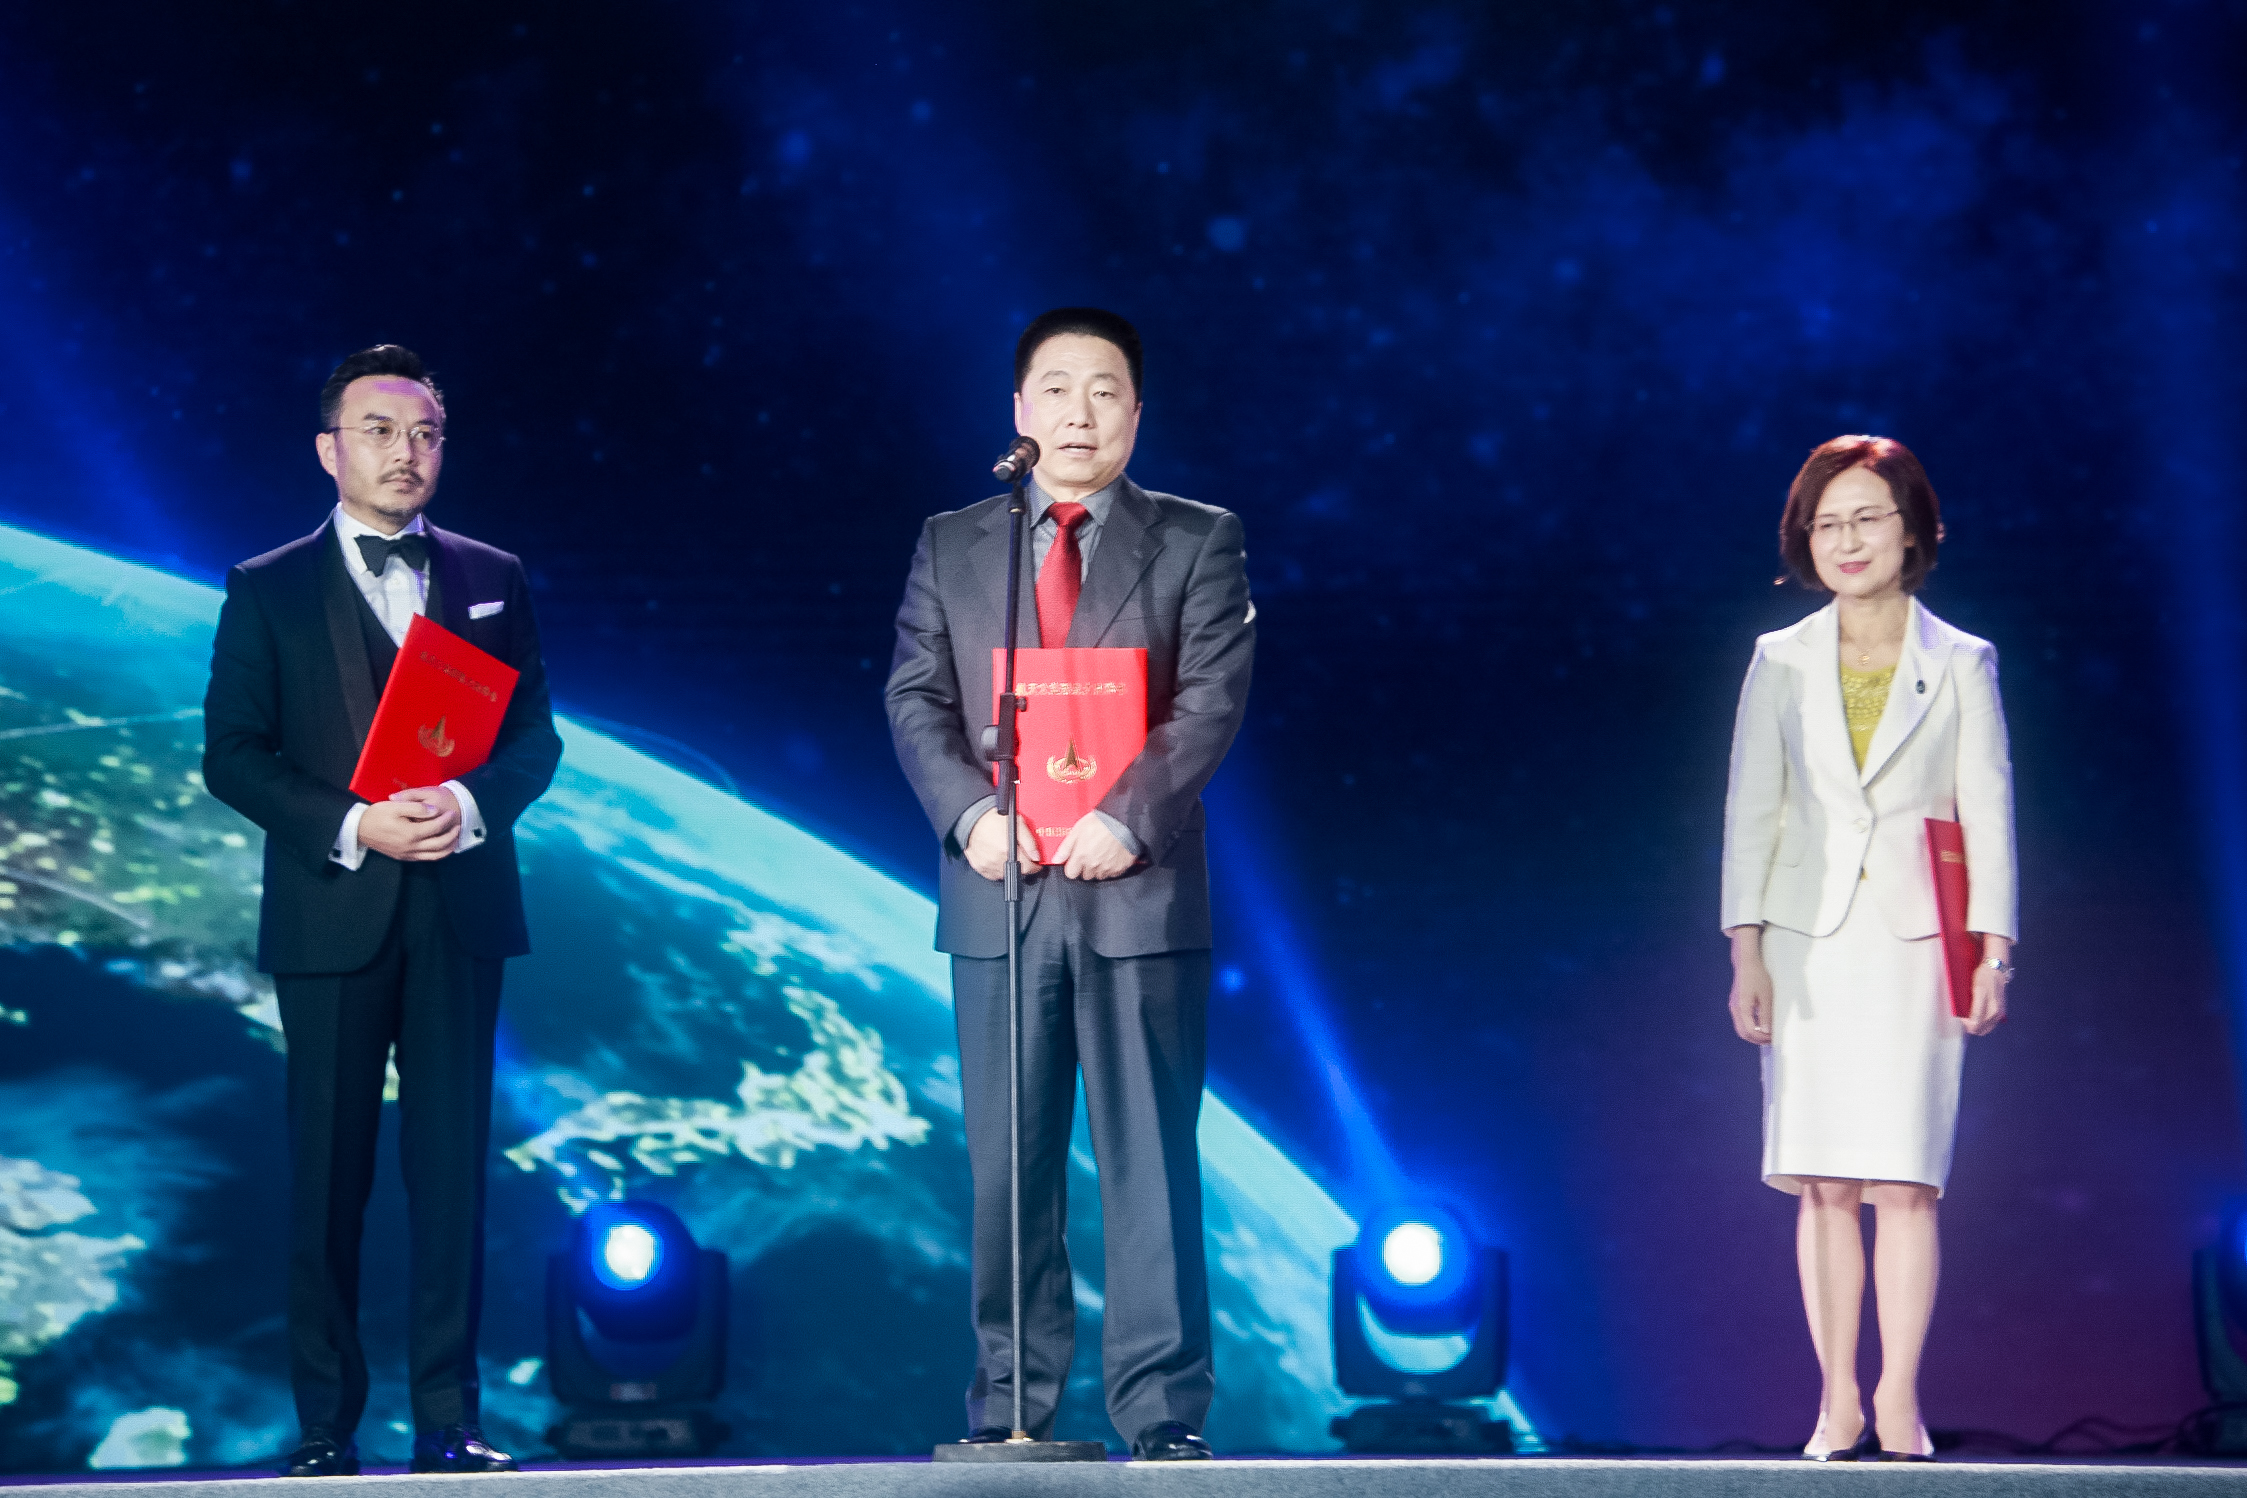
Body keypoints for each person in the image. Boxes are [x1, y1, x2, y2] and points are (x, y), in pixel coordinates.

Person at [885, 308, 1254, 1460]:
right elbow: (915, 696)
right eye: (1056, 389)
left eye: (1104, 392)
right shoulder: (956, 541)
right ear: (1019, 411)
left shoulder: (1198, 538)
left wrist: (1125, 818)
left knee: (1149, 1161)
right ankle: (1010, 1403)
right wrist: (971, 815)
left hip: (1136, 890)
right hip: (1000, 892)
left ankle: (1162, 1410)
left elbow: (1210, 698)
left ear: (1136, 413)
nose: (1079, 414)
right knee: (1009, 1164)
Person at [203, 345, 562, 1476]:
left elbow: (537, 738)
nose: (406, 452)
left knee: (451, 1176)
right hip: (331, 912)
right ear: (329, 449)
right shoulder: (265, 586)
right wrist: (358, 825)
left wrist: (466, 803)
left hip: (460, 906)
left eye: (425, 434)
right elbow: (232, 756)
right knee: (328, 1178)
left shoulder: (493, 573)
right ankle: (325, 1427)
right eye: (380, 430)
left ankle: (449, 1423)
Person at [1720, 435, 2017, 1463]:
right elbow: (1752, 812)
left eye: (1866, 518)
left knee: (1905, 1181)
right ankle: (1836, 1400)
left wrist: (1994, 948)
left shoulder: (1962, 660)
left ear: (1913, 529)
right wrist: (1745, 948)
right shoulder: (1779, 658)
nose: (1845, 540)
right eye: (1826, 523)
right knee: (1822, 1182)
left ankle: (1898, 1398)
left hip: (1914, 944)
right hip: (1805, 944)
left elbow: (1987, 811)